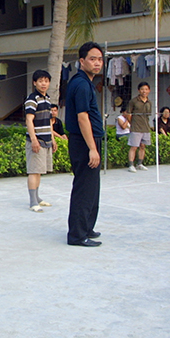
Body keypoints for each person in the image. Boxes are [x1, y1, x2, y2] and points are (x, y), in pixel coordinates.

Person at [64, 42, 105, 247]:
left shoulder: (85, 83)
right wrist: (92, 149)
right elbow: (82, 118)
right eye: (92, 59)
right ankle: (77, 236)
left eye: (100, 59)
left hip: (89, 141)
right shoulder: (80, 84)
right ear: (82, 61)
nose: (97, 63)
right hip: (84, 142)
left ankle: (87, 227)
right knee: (84, 189)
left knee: (92, 189)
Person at [24, 70, 57, 212]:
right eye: (40, 81)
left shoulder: (47, 99)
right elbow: (29, 120)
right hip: (36, 141)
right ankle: (33, 202)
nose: (44, 84)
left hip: (46, 140)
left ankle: (37, 198)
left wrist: (53, 139)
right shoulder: (32, 99)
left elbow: (49, 121)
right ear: (34, 83)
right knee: (33, 171)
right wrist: (34, 140)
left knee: (39, 171)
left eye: (46, 81)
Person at [125, 82, 152, 172]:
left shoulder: (149, 102)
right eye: (142, 89)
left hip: (146, 127)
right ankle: (131, 165)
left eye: (146, 89)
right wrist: (132, 123)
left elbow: (148, 115)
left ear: (149, 90)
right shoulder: (133, 101)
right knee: (134, 146)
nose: (144, 91)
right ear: (139, 90)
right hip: (136, 127)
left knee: (143, 146)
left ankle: (140, 164)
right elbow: (128, 114)